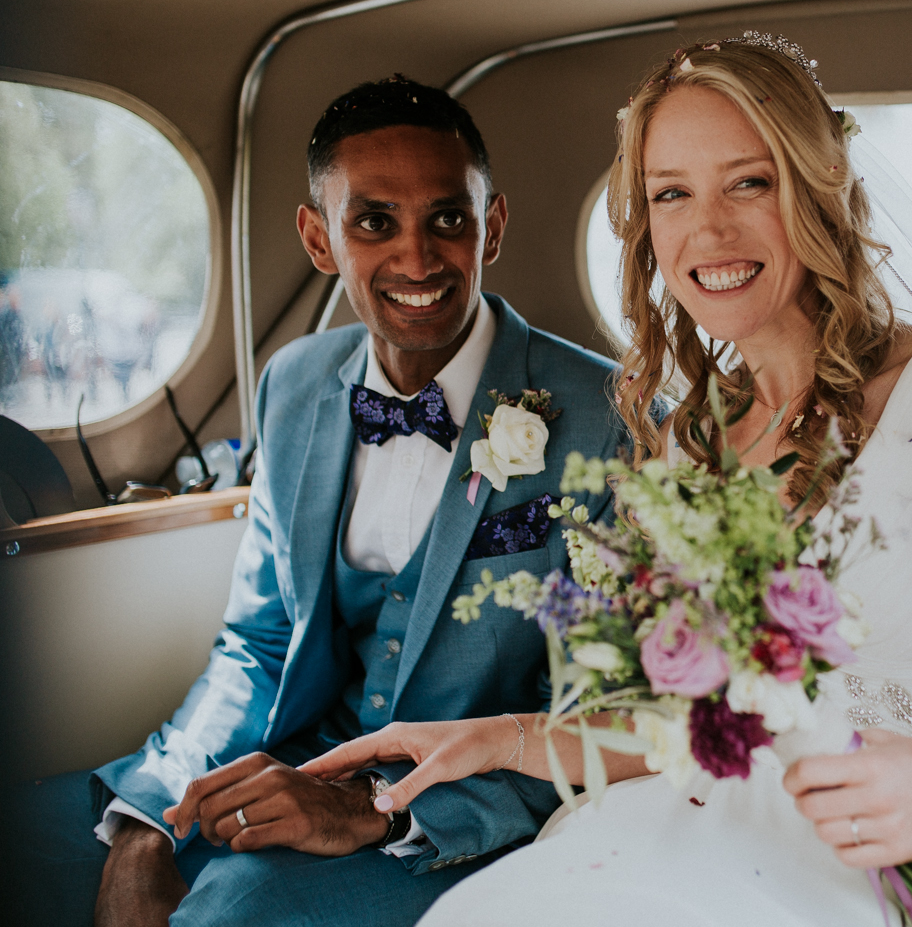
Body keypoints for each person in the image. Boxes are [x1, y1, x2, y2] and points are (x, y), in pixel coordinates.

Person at [301, 39, 912, 926]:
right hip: (702, 833)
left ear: (817, 185)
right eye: (671, 194)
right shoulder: (684, 444)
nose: (708, 232)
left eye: (749, 183)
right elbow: (682, 727)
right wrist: (499, 740)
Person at [16, 76, 637, 927]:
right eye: (374, 221)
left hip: (458, 823)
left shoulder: (614, 423)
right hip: (293, 758)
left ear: (492, 226)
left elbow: (608, 724)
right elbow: (259, 643)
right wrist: (146, 821)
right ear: (318, 238)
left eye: (448, 219)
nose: (418, 260)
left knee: (231, 913)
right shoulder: (293, 383)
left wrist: (379, 809)